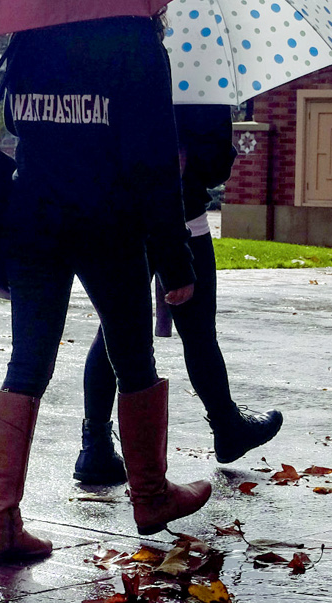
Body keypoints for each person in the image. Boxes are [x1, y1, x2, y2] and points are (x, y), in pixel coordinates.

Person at [0, 15, 211, 565]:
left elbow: (16, 120)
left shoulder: (28, 34)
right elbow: (153, 162)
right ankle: (150, 497)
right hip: (108, 224)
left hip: (33, 216)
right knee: (133, 358)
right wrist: (174, 258)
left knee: (27, 365)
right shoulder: (134, 44)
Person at [73, 103, 283, 484]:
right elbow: (217, 164)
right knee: (198, 330)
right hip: (182, 219)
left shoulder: (123, 61)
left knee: (114, 327)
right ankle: (226, 427)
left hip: (119, 217)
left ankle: (95, 445)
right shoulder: (201, 80)